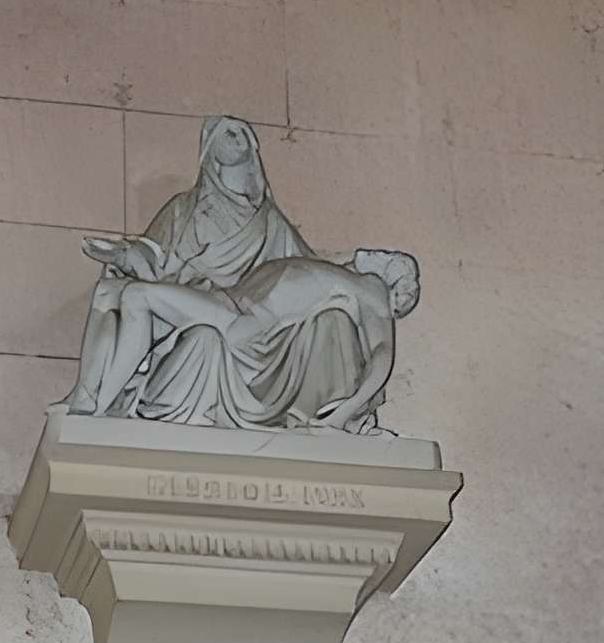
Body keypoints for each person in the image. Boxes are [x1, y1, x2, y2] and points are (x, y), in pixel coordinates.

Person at [64, 115, 309, 418]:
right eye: (228, 133)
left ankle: (99, 406)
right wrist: (125, 254)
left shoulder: (269, 221)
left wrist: (363, 270)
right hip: (183, 303)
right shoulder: (183, 208)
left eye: (242, 133)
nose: (238, 138)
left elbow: (310, 267)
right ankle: (87, 395)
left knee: (137, 296)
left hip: (236, 313)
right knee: (108, 291)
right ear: (210, 147)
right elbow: (154, 255)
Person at [109, 248, 418, 430]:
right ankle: (100, 404)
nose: (382, 253)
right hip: (231, 304)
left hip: (244, 327)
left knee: (137, 296)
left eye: (394, 261)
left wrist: (345, 413)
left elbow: (383, 353)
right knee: (134, 295)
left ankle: (101, 405)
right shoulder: (335, 271)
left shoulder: (373, 288)